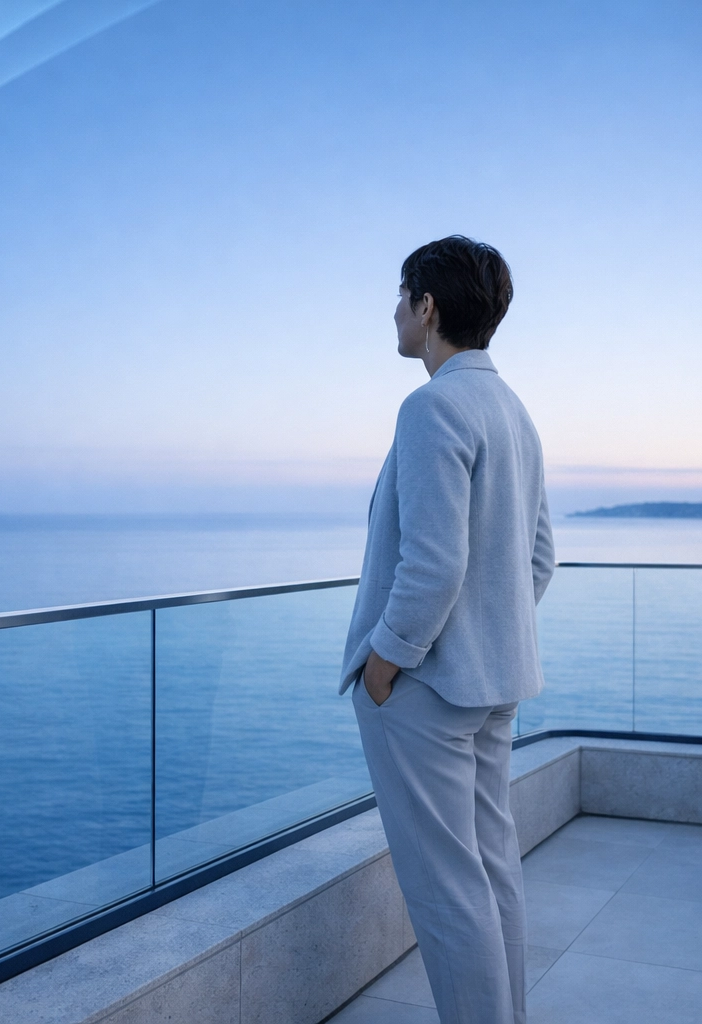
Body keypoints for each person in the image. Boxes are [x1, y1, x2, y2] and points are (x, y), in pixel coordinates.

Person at [341, 235, 554, 1024]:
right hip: (493, 684)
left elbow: (432, 566)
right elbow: (538, 557)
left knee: (446, 891)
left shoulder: (432, 406)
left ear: (429, 308)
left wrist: (385, 665)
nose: (395, 312)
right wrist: (486, 635)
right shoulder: (512, 408)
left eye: (402, 297)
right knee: (493, 872)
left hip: (427, 690)